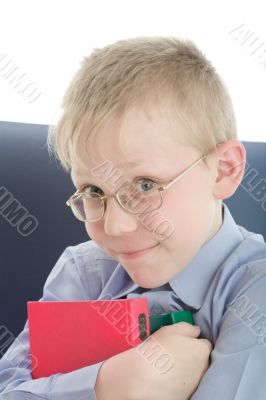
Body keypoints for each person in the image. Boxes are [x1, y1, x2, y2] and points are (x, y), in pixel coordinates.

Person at [1, 36, 266, 400]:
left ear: (224, 171)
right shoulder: (84, 272)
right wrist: (106, 386)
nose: (115, 227)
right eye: (93, 191)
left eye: (144, 185)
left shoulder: (257, 292)